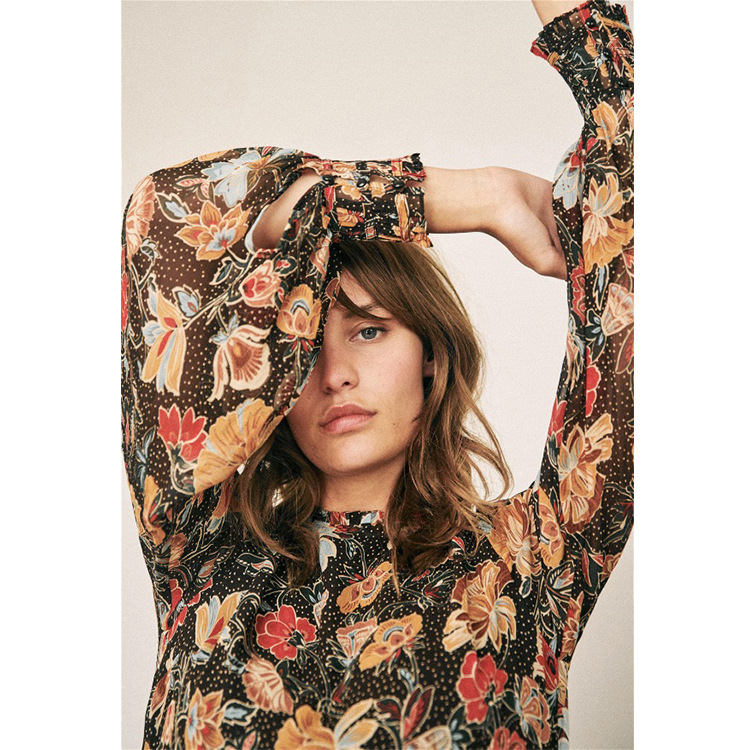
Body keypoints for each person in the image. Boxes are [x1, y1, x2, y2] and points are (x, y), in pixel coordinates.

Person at [121, 0, 633, 747]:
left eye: (369, 330)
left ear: (430, 352)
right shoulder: (198, 550)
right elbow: (168, 216)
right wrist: (468, 196)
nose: (335, 375)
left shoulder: (535, 560)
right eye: (304, 345)